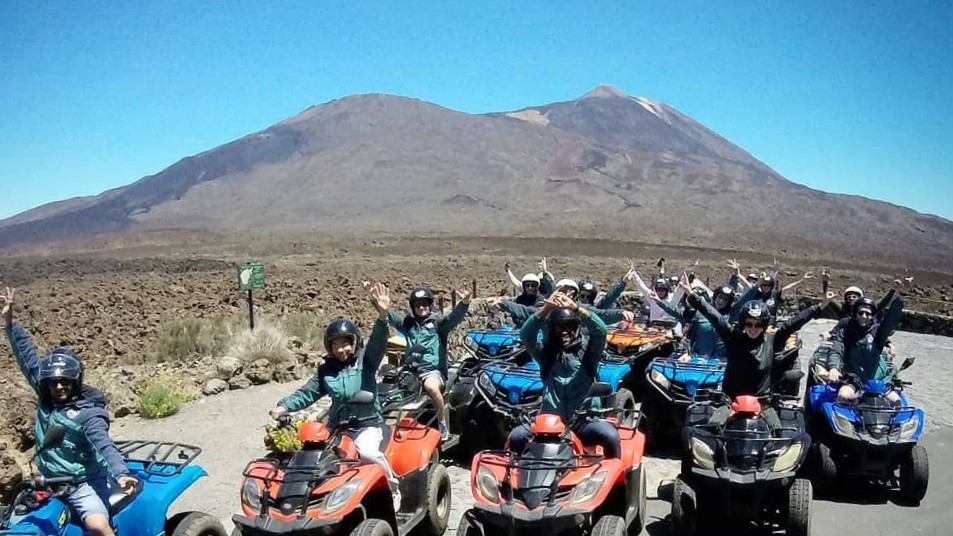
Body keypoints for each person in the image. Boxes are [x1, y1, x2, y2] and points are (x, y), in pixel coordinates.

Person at [2, 288, 137, 536]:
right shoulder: (47, 398)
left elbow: (103, 445)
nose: (59, 386)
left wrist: (121, 473)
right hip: (49, 481)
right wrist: (10, 322)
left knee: (97, 525)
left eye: (65, 381)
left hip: (83, 484)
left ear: (76, 381)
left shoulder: (88, 413)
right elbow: (27, 359)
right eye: (54, 382)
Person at [270, 282, 400, 509]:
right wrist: (284, 407)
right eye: (336, 345)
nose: (341, 350)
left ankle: (392, 488)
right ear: (329, 348)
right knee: (311, 458)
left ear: (354, 342)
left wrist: (382, 315)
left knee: (368, 453)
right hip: (337, 426)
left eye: (345, 344)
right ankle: (309, 500)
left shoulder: (366, 361)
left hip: (367, 425)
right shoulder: (326, 371)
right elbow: (307, 393)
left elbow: (379, 341)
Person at [685, 284, 831, 429]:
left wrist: (818, 307)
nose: (753, 328)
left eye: (758, 324)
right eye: (749, 324)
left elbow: (793, 323)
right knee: (711, 429)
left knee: (779, 432)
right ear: (743, 323)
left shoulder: (773, 340)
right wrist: (693, 297)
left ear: (764, 325)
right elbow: (715, 317)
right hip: (730, 400)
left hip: (762, 403)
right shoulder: (732, 338)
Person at [505, 292, 621, 458]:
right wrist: (545, 310)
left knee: (610, 436)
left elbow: (600, 331)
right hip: (551, 423)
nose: (563, 332)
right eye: (558, 328)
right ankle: (512, 481)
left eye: (568, 327)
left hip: (584, 422)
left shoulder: (587, 354)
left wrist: (576, 308)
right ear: (551, 331)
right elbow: (526, 336)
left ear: (576, 328)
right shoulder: (546, 355)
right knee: (516, 436)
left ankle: (620, 481)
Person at [386, 285, 470, 440]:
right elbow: (388, 315)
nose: (422, 307)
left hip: (432, 370)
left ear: (430, 305)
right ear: (413, 307)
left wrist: (464, 303)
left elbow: (454, 318)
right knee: (388, 389)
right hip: (410, 370)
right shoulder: (408, 323)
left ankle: (442, 421)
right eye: (418, 305)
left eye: (425, 304)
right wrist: (376, 301)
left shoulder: (438, 323)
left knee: (430, 386)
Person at [825, 296, 904, 405]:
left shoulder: (878, 333)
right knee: (843, 396)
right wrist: (833, 368)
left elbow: (891, 320)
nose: (864, 316)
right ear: (855, 313)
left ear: (873, 316)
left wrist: (899, 298)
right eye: (861, 313)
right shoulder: (846, 331)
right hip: (854, 378)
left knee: (897, 401)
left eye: (868, 314)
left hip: (878, 380)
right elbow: (836, 350)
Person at [653, 285, 725, 360]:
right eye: (690, 301)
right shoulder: (691, 315)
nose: (691, 304)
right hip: (693, 354)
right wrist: (659, 301)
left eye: (694, 301)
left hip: (711, 357)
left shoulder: (714, 315)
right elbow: (674, 311)